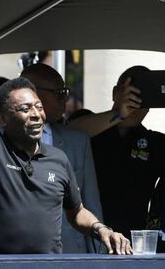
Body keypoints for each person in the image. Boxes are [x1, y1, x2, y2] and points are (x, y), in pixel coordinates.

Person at [0, 13, 131, 255]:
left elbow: (76, 212)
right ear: (3, 119)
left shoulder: (58, 159)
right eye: (23, 109)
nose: (35, 114)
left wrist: (100, 229)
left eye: (38, 106)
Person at [68, 66, 164, 239]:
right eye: (132, 93)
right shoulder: (89, 129)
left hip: (133, 244)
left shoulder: (155, 143)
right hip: (85, 237)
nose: (136, 103)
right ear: (115, 93)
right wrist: (118, 114)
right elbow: (68, 134)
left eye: (143, 96)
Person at [21, 63, 103, 253]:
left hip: (71, 253)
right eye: (59, 93)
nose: (65, 99)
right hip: (16, 255)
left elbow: (91, 204)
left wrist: (101, 256)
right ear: (33, 93)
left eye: (65, 92)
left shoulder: (77, 142)